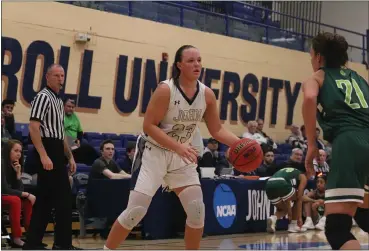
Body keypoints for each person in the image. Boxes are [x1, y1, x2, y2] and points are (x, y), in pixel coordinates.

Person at [104, 45, 240, 250]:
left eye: (199, 60)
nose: (196, 64)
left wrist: (242, 144)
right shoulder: (166, 90)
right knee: (136, 211)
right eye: (191, 61)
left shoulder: (207, 94)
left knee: (196, 210)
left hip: (181, 155)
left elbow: (217, 129)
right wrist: (178, 147)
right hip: (154, 152)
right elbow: (148, 126)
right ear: (179, 65)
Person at [302, 32, 369, 250]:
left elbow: (310, 98)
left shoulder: (318, 77)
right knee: (362, 212)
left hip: (351, 143)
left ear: (319, 57)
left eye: (311, 55)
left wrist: (312, 144)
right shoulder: (360, 79)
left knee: (337, 228)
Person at [23, 64, 81, 250]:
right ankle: (62, 244)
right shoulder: (42, 97)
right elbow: (33, 127)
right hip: (46, 149)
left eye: (62, 75)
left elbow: (60, 133)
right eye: (56, 75)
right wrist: (43, 155)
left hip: (56, 149)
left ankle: (33, 244)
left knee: (46, 200)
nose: (60, 78)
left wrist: (69, 156)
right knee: (61, 199)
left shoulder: (58, 100)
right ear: (47, 77)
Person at [1, 140, 35, 248]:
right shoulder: (1, 163)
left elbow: (19, 189)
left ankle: (32, 236)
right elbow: (4, 189)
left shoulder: (16, 165)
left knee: (26, 201)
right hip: (3, 195)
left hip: (7, 197)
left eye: (20, 151)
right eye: (15, 150)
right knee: (16, 200)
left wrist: (18, 175)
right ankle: (16, 238)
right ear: (8, 151)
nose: (19, 154)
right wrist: (26, 194)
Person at [265, 167, 308, 233]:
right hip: (280, 182)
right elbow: (299, 197)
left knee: (283, 209)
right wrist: (299, 218)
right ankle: (293, 225)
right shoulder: (303, 176)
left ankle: (273, 218)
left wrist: (289, 212)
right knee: (297, 197)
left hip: (269, 184)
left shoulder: (290, 172)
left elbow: (286, 198)